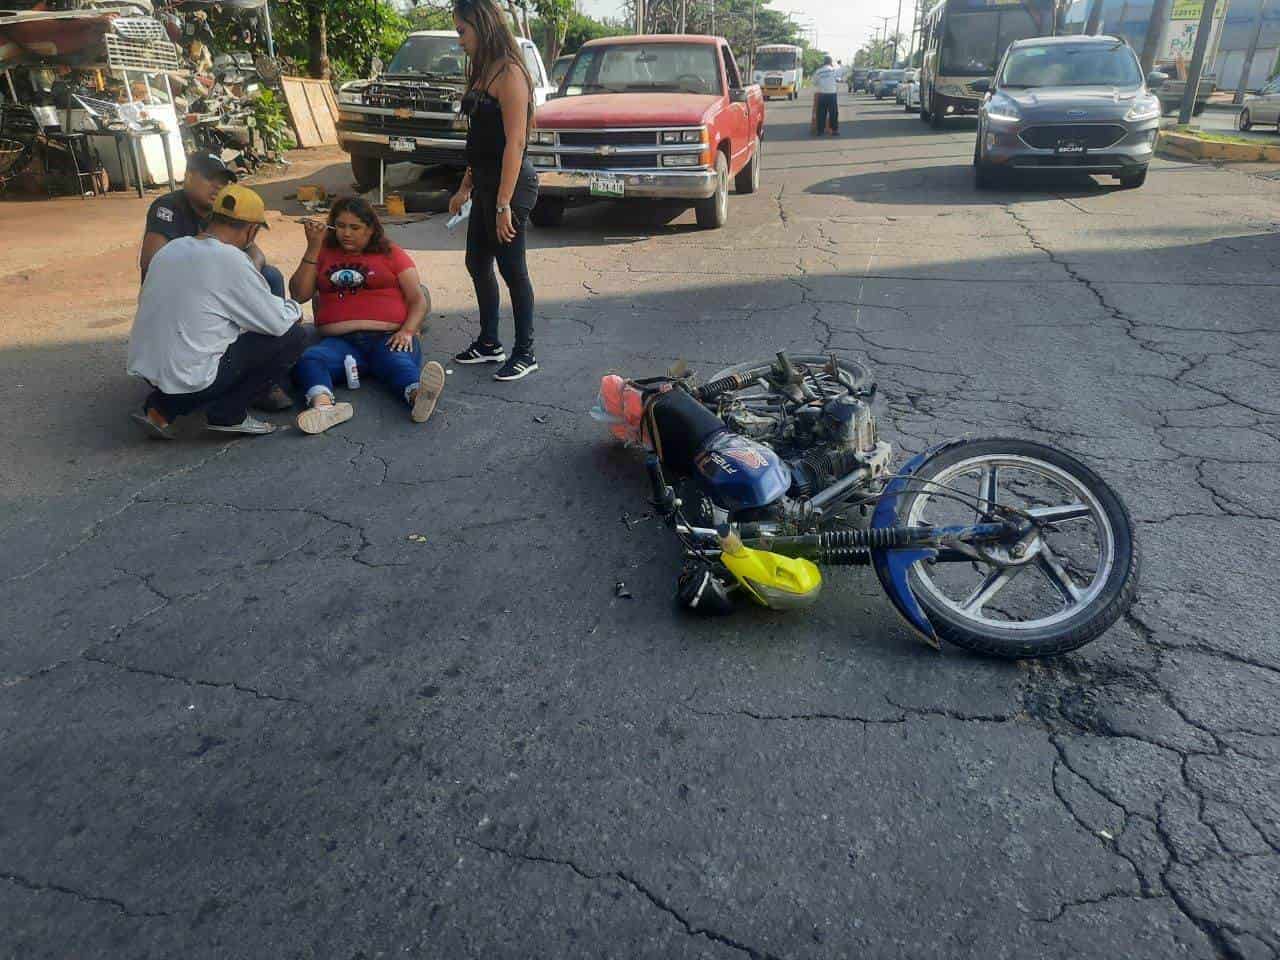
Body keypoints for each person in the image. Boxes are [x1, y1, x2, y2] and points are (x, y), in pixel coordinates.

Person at [127, 185, 306, 439]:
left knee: (203, 348)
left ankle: (160, 408)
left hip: (150, 371)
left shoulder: (171, 249)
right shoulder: (229, 259)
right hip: (191, 377)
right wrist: (295, 309)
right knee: (293, 336)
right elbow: (276, 322)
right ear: (252, 230)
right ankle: (228, 414)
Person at [139, 152, 292, 410]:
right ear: (188, 176)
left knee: (270, 276)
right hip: (182, 297)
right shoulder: (168, 207)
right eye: (211, 179)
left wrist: (242, 277)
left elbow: (254, 252)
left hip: (209, 293)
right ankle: (233, 402)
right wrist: (226, 277)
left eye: (223, 181)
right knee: (290, 332)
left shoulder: (222, 210)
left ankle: (265, 378)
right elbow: (152, 263)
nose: (218, 187)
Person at [289, 196, 444, 435]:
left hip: (388, 336)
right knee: (311, 360)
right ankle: (323, 408)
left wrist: (408, 331)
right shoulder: (323, 251)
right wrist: (312, 247)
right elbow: (299, 294)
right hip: (340, 342)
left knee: (397, 363)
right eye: (340, 226)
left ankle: (418, 396)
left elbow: (417, 299)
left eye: (354, 227)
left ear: (370, 229)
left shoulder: (391, 252)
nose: (346, 233)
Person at [448, 0, 541, 382]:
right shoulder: (483, 71)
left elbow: (514, 144)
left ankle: (525, 352)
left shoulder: (510, 74)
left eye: (461, 31)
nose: (460, 41)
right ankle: (490, 343)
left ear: (482, 25)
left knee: (512, 269)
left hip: (512, 185)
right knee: (476, 261)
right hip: (487, 183)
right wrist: (465, 186)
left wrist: (503, 204)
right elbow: (482, 139)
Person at [813, 55, 840, 136]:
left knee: (821, 113)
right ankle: (834, 130)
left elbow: (814, 82)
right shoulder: (834, 70)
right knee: (833, 113)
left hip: (822, 94)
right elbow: (838, 79)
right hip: (832, 94)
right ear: (830, 62)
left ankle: (820, 131)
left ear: (823, 62)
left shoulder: (818, 71)